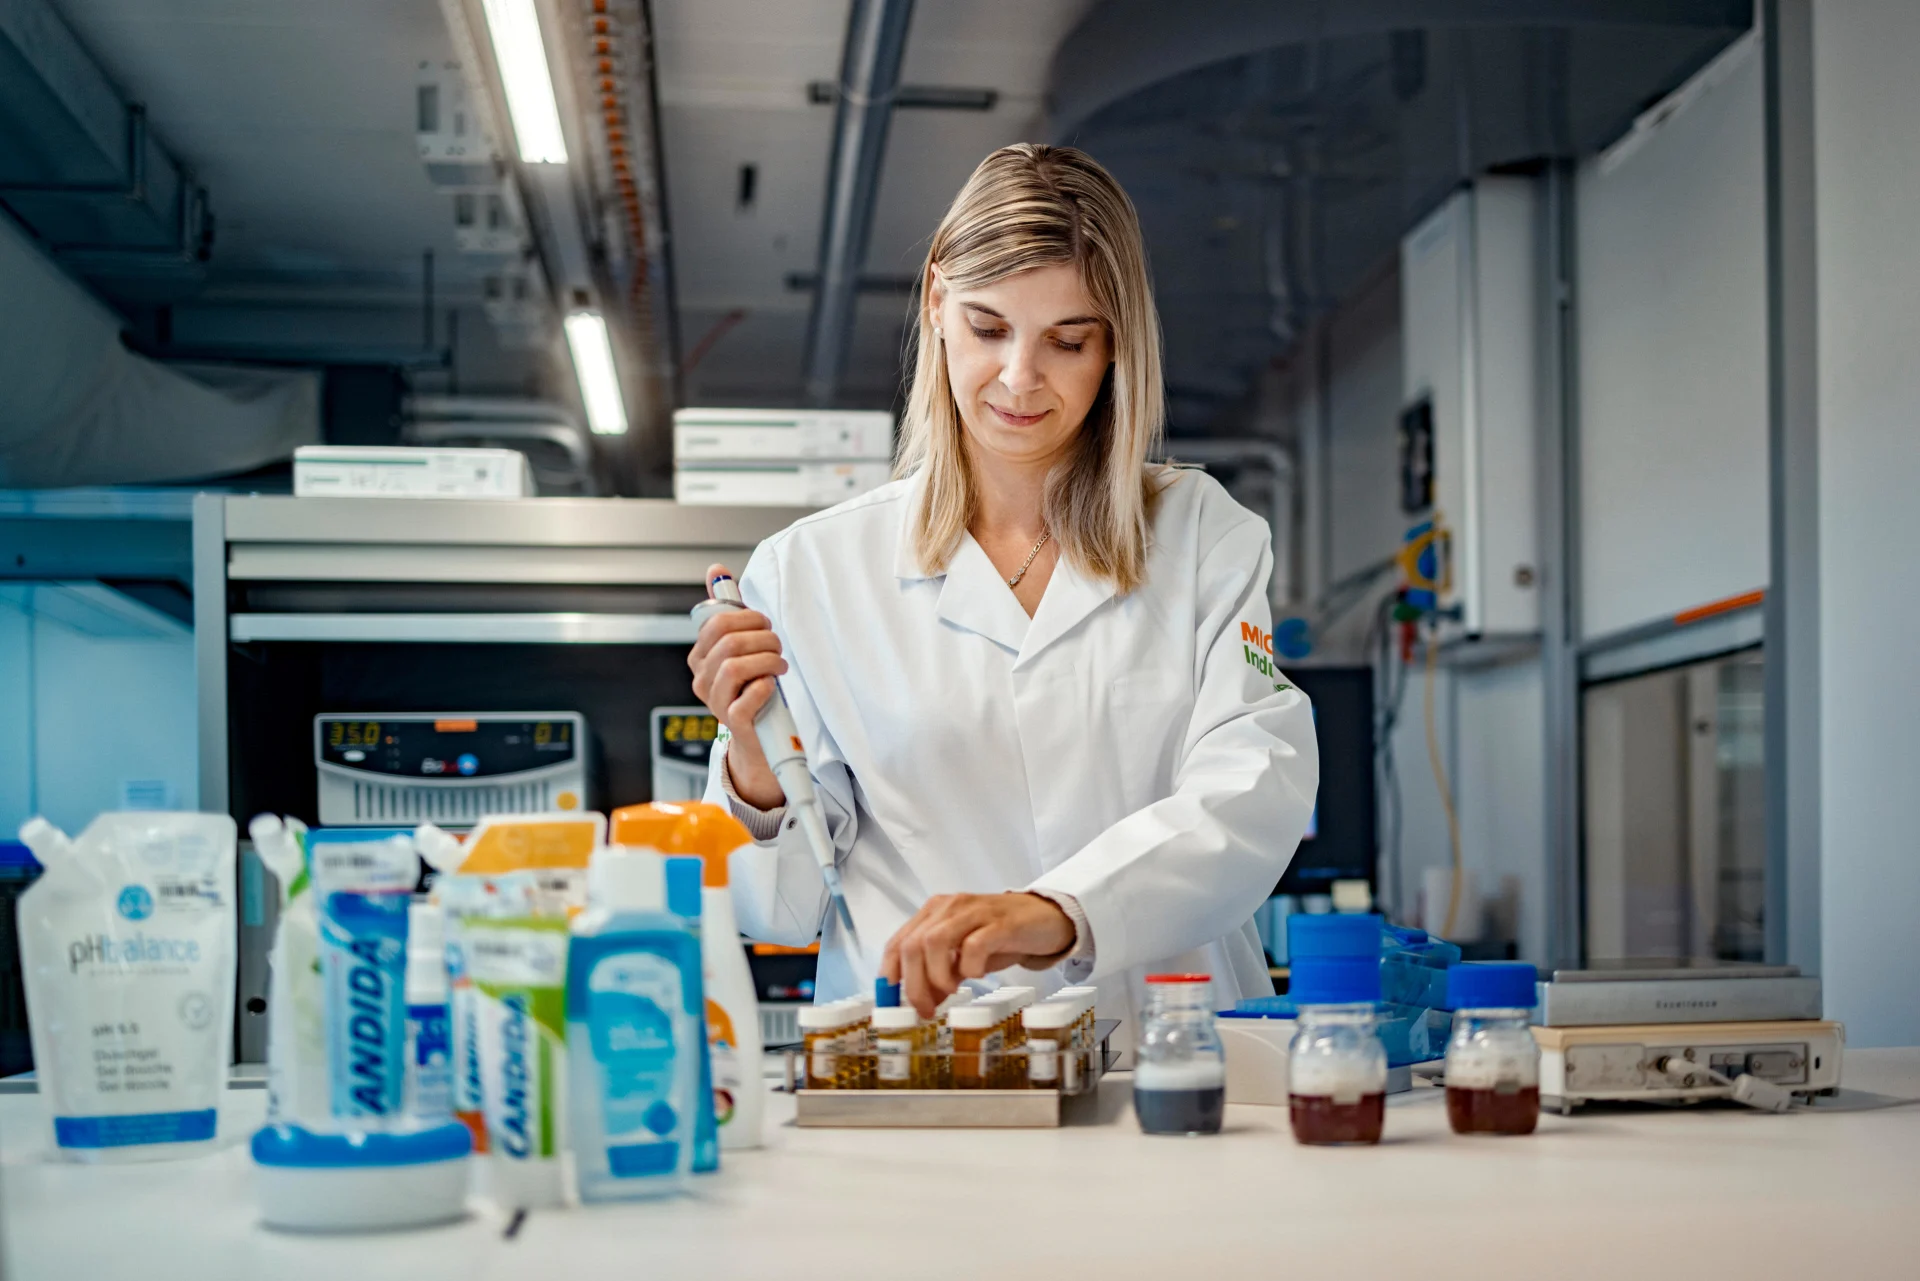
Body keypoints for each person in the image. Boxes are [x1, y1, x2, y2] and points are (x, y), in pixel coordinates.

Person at [689, 143, 1317, 1033]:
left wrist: (1059, 911)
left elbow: (1254, 790)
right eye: (989, 328)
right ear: (938, 302)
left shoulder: (1204, 536)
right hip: (922, 1065)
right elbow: (780, 910)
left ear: (1116, 349)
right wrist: (751, 757)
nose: (1021, 378)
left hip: (1168, 1054)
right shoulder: (811, 571)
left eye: (1069, 340)